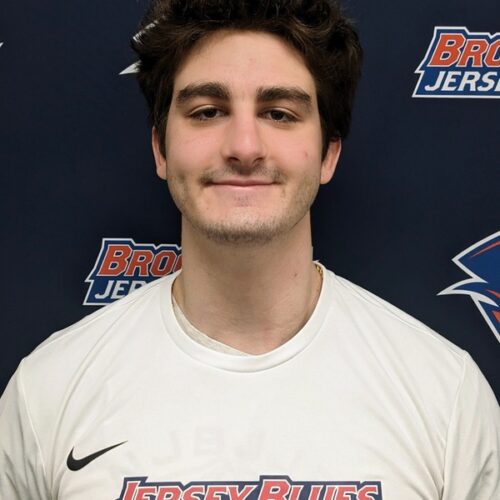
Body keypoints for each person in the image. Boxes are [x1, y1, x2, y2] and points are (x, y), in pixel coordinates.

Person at [0, 0, 498, 499]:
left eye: (279, 113)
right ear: (160, 148)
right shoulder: (48, 393)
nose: (243, 145)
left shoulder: (445, 398)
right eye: (208, 112)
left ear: (328, 154)